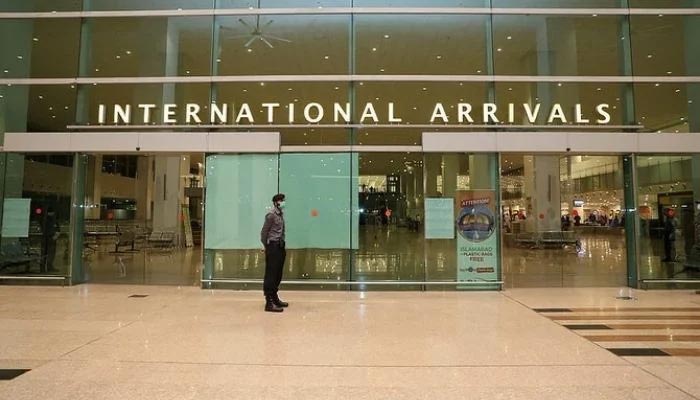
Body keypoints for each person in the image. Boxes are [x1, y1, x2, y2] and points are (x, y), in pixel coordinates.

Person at [260, 193, 289, 313]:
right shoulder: (271, 215)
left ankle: (274, 297)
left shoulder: (280, 215)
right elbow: (264, 233)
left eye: (283, 200)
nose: (283, 202)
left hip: (280, 246)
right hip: (273, 246)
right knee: (271, 274)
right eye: (281, 200)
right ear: (276, 202)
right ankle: (269, 302)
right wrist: (267, 246)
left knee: (278, 273)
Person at [40, 206, 59, 273]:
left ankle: (48, 266)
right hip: (47, 238)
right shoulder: (46, 220)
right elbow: (45, 229)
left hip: (51, 238)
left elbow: (57, 227)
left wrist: (57, 233)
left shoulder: (53, 220)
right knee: (46, 253)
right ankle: (44, 267)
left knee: (51, 253)